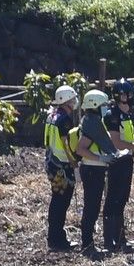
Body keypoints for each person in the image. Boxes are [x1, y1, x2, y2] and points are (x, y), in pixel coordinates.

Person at [75, 89, 130, 254]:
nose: (106, 108)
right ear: (95, 105)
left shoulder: (92, 120)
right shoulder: (91, 123)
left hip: (95, 169)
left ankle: (89, 243)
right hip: (92, 169)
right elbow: (80, 149)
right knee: (91, 208)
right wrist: (101, 159)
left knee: (93, 206)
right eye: (103, 105)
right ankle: (87, 244)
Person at [102, 78, 134, 251]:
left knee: (122, 199)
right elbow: (116, 142)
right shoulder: (112, 115)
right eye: (127, 94)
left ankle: (120, 238)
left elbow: (126, 139)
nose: (130, 97)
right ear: (120, 96)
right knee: (113, 199)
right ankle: (109, 240)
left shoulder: (126, 115)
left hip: (127, 160)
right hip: (116, 161)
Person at [43, 85, 79, 251]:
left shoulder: (51, 115)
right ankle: (58, 239)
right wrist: (74, 162)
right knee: (61, 202)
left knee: (56, 200)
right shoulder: (64, 119)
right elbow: (66, 144)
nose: (74, 102)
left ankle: (54, 236)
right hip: (61, 166)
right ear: (66, 101)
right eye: (72, 99)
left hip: (51, 162)